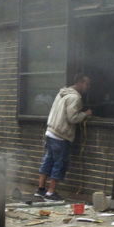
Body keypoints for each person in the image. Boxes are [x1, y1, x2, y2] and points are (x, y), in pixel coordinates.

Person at [34, 73, 92, 202]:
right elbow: (72, 118)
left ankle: (40, 189)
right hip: (61, 135)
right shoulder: (75, 98)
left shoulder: (62, 93)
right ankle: (50, 193)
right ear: (79, 83)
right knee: (59, 163)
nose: (88, 87)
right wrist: (85, 114)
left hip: (50, 132)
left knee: (48, 160)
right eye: (87, 84)